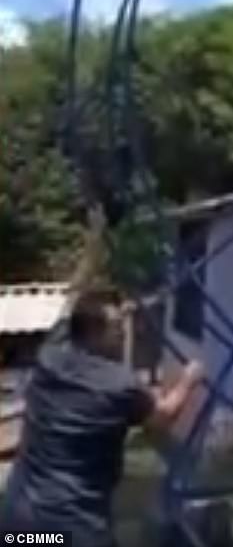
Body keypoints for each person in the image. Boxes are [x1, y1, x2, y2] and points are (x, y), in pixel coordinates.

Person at [0, 212, 205, 547]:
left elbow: (72, 298)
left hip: (20, 526)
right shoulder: (118, 386)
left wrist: (93, 246)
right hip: (75, 530)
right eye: (116, 327)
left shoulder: (51, 354)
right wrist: (190, 378)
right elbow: (163, 417)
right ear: (98, 334)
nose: (123, 330)